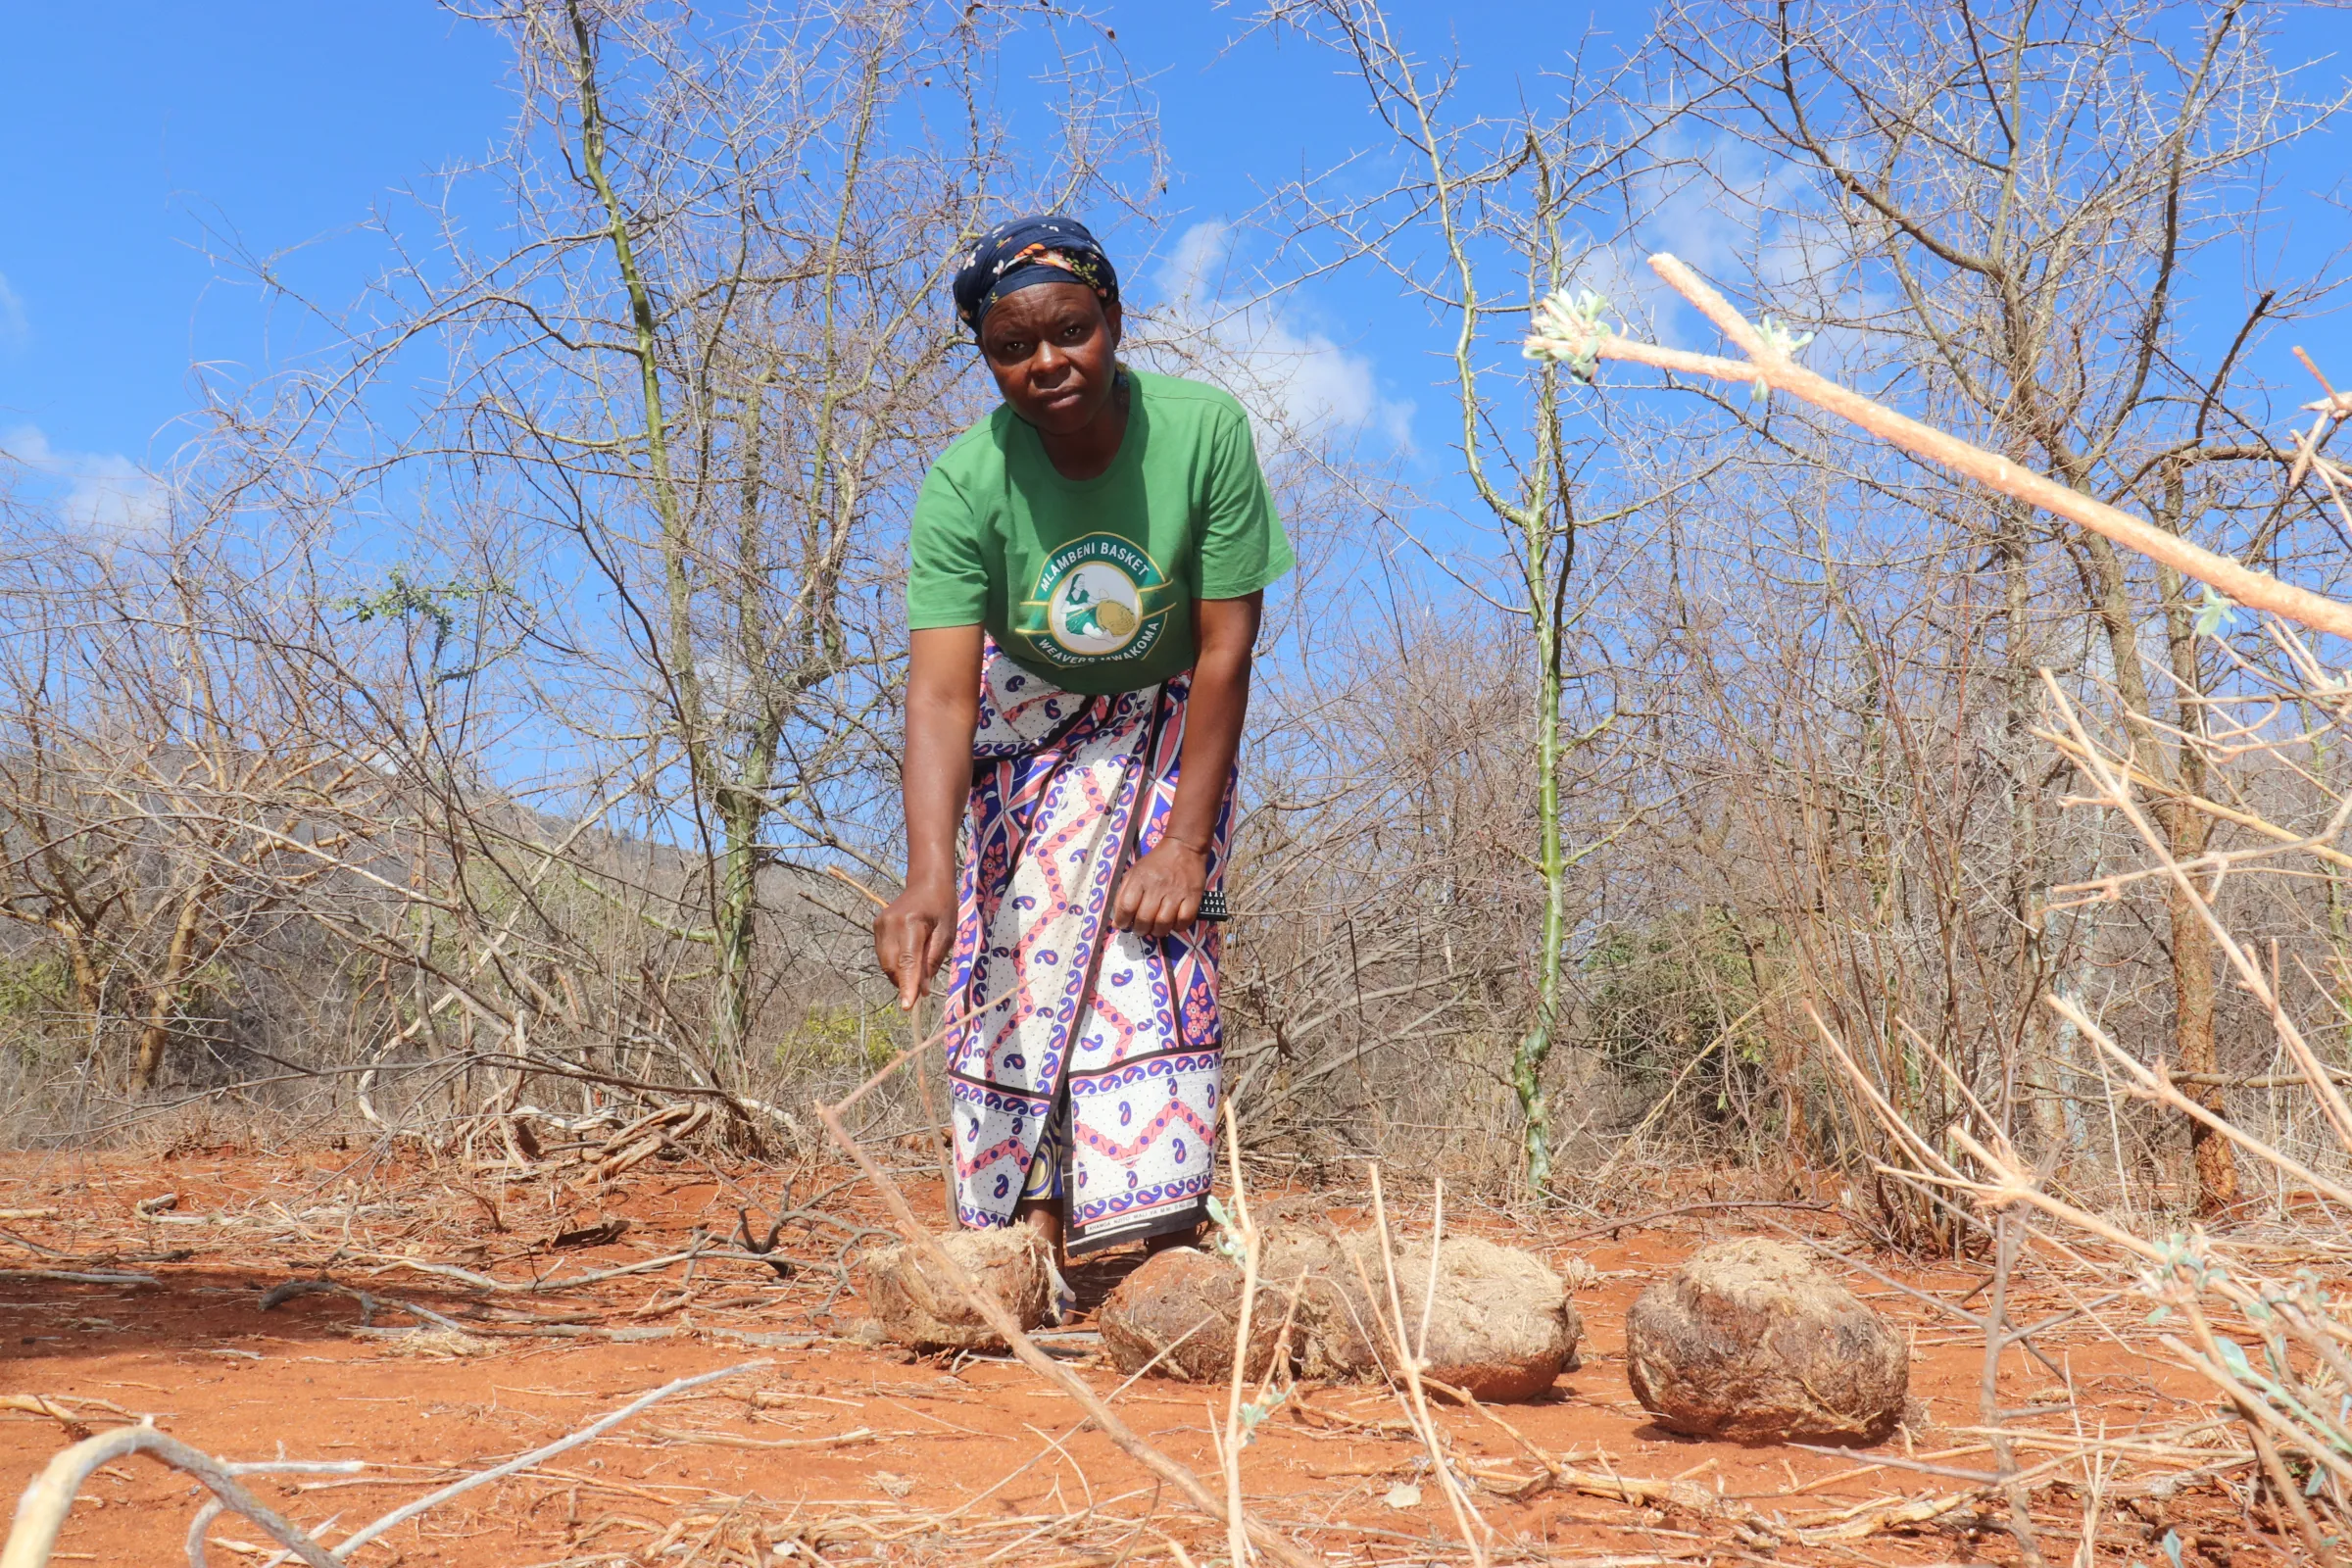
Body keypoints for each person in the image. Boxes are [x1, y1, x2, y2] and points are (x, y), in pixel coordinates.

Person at [873, 215, 1293, 1261]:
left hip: (1170, 701)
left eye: (1070, 331)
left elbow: (1227, 648)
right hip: (1026, 715)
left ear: (1115, 319)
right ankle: (1026, 1229)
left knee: (1153, 934)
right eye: (1012, 348)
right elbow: (939, 696)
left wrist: (1186, 842)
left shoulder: (1203, 433)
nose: (1047, 363)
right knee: (1007, 948)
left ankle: (1155, 1226)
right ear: (987, 358)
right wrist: (931, 876)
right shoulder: (968, 482)